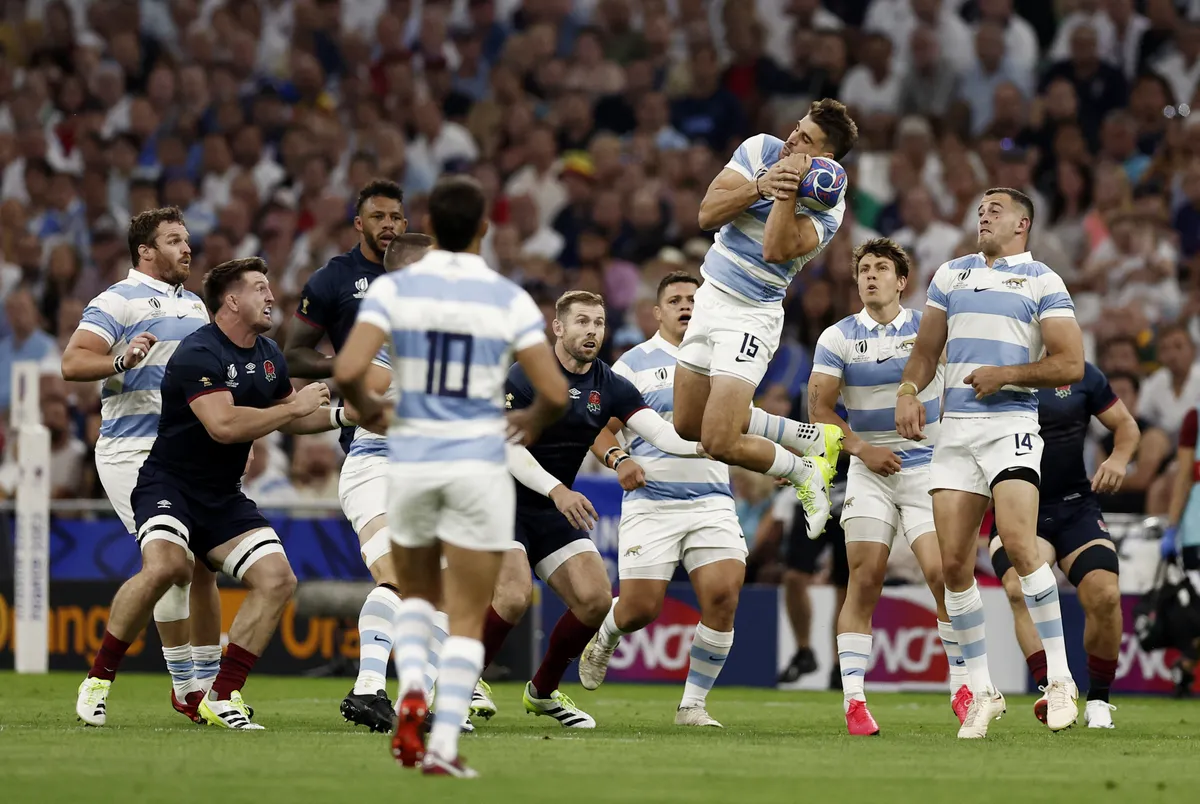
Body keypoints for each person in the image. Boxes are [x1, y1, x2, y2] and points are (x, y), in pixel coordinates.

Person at [333, 175, 569, 777]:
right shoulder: (506, 297)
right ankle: (439, 742)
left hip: (411, 459)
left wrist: (376, 409)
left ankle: (409, 693)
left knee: (414, 594)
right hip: (474, 462)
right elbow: (553, 391)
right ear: (484, 228)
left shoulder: (394, 295)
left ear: (430, 226)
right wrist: (529, 419)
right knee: (464, 611)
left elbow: (349, 369)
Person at [74, 257, 345, 729]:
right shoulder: (199, 352)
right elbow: (223, 426)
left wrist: (347, 417)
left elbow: (296, 415)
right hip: (169, 486)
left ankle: (221, 695)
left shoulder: (268, 354)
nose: (270, 295)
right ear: (232, 300)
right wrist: (294, 407)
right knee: (166, 567)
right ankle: (98, 679)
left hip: (222, 495)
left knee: (278, 579)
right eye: (260, 287)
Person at [896, 187, 1086, 738]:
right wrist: (910, 388)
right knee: (954, 565)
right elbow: (928, 349)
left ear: (1022, 224)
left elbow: (1070, 362)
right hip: (956, 431)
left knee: (1020, 544)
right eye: (980, 209)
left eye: (995, 211)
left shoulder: (1042, 281)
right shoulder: (951, 275)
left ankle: (1060, 679)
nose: (983, 215)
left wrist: (1007, 375)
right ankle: (983, 689)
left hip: (1012, 427)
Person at [486, 289, 708, 730]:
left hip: (550, 508)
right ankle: (463, 685)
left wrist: (722, 446)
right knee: (512, 596)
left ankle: (542, 693)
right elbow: (506, 448)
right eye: (582, 322)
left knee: (594, 602)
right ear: (558, 328)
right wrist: (558, 492)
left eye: (599, 323)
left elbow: (662, 436)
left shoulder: (610, 385)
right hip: (498, 500)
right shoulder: (524, 375)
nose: (591, 331)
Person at [280, 179, 429, 731]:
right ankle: (371, 688)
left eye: (398, 216)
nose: (389, 224)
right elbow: (340, 373)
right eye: (379, 216)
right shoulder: (340, 286)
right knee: (399, 579)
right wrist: (348, 393)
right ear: (359, 223)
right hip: (376, 456)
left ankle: (422, 698)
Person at [61, 206, 219, 723]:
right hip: (131, 450)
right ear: (146, 251)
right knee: (171, 563)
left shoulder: (197, 306)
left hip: (187, 453)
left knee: (196, 568)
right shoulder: (116, 299)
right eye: (174, 240)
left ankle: (200, 688)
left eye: (187, 239)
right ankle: (124, 680)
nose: (187, 248)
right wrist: (120, 360)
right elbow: (72, 362)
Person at [673, 99, 857, 540]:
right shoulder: (760, 149)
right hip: (710, 295)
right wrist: (760, 184)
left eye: (805, 140)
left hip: (750, 317)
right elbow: (706, 214)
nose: (791, 139)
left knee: (717, 441)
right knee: (686, 425)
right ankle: (813, 440)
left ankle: (802, 471)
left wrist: (787, 190)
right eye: (796, 129)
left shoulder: (828, 207)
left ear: (823, 159)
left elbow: (774, 250)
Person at [574, 271, 751, 727]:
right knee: (640, 609)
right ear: (658, 312)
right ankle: (609, 632)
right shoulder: (633, 363)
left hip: (711, 499)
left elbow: (743, 424)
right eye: (675, 300)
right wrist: (617, 459)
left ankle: (692, 705)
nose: (685, 305)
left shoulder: (725, 361)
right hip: (652, 503)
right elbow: (599, 427)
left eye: (693, 298)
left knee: (723, 595)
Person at [809, 238, 969, 735]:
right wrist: (861, 450)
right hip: (868, 470)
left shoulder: (928, 328)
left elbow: (961, 382)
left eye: (881, 268)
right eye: (864, 270)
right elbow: (819, 410)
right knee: (865, 577)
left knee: (942, 575)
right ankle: (854, 700)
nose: (870, 276)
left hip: (927, 467)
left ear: (903, 280)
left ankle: (962, 687)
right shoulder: (836, 337)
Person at [988, 361, 1138, 729]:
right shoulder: (999, 370)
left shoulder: (1082, 374)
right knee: (1018, 589)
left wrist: (1118, 458)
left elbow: (1126, 426)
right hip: (1019, 509)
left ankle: (1099, 699)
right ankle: (1052, 688)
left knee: (1105, 594)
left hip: (1075, 508)